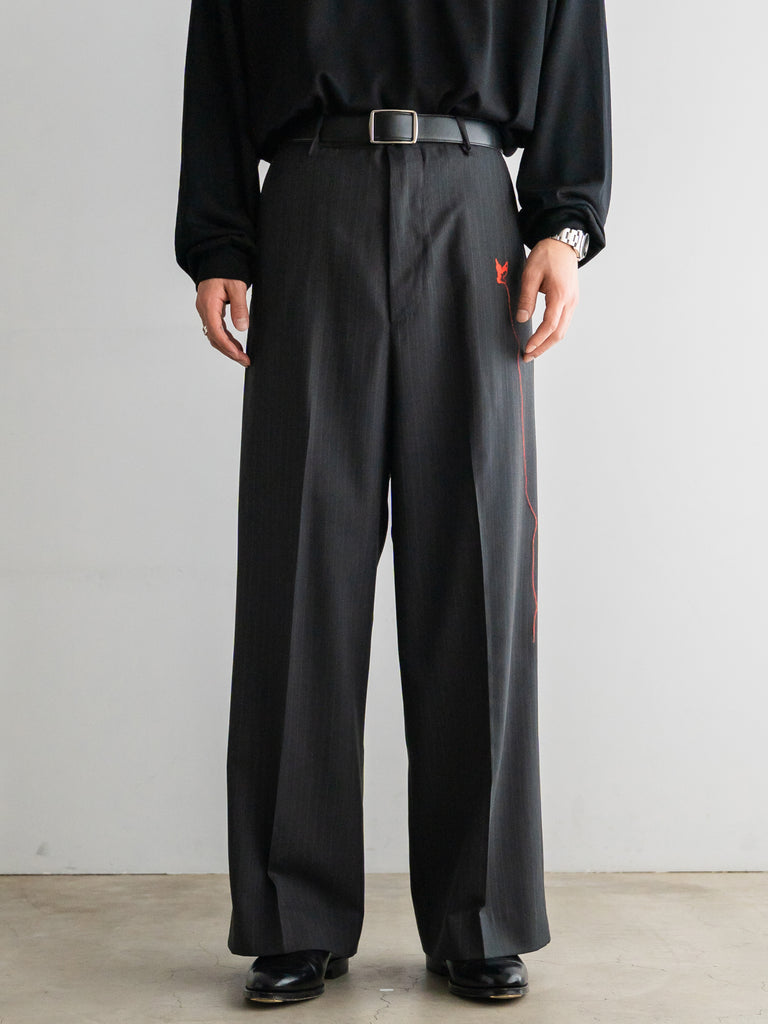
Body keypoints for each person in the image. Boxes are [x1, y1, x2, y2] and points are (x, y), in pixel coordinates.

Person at [174, 0, 611, 1005]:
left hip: (472, 205)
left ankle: (478, 914)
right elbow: (219, 61)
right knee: (298, 569)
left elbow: (571, 44)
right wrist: (220, 241)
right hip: (310, 203)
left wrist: (565, 222)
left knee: (476, 569)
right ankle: (294, 915)